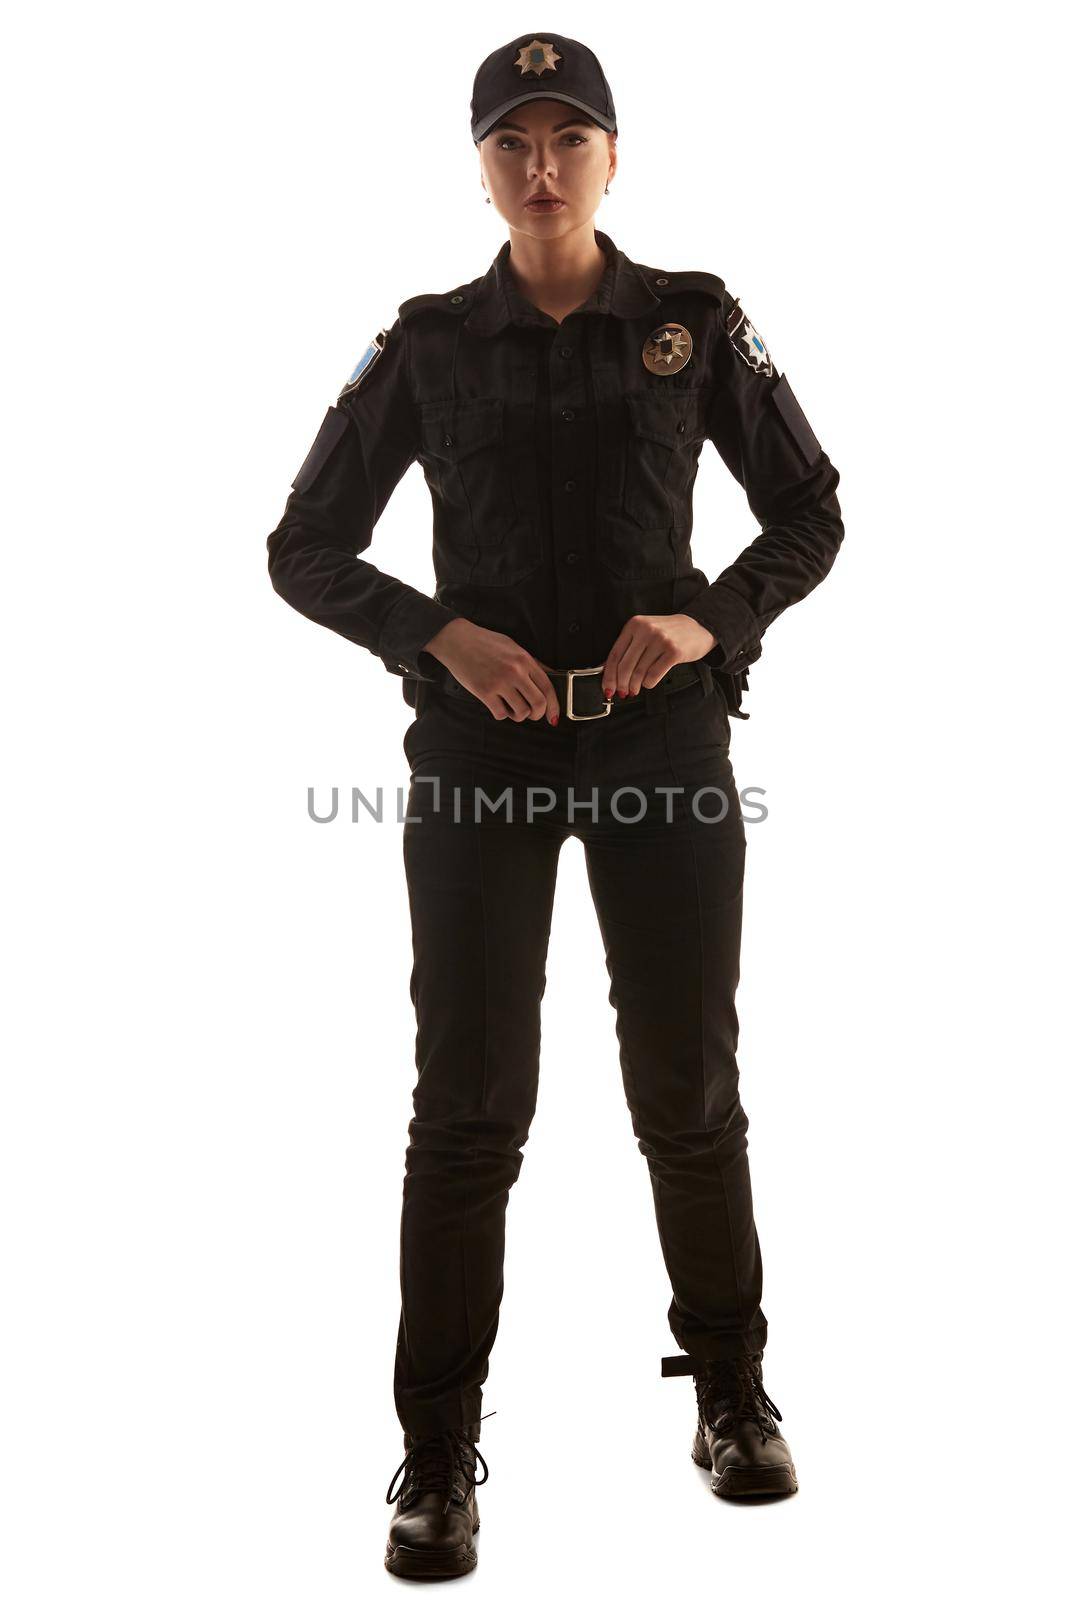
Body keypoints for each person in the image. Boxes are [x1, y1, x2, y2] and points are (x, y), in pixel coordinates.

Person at [267, 31, 843, 1581]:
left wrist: (713, 619)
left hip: (661, 750)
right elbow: (303, 543)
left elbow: (812, 509)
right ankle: (439, 1453)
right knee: (465, 1112)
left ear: (611, 157)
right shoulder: (428, 342)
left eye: (566, 138)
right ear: (479, 166)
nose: (540, 168)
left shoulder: (692, 323)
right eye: (510, 143)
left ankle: (730, 1394)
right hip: (480, 755)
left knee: (687, 1090)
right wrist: (435, 632)